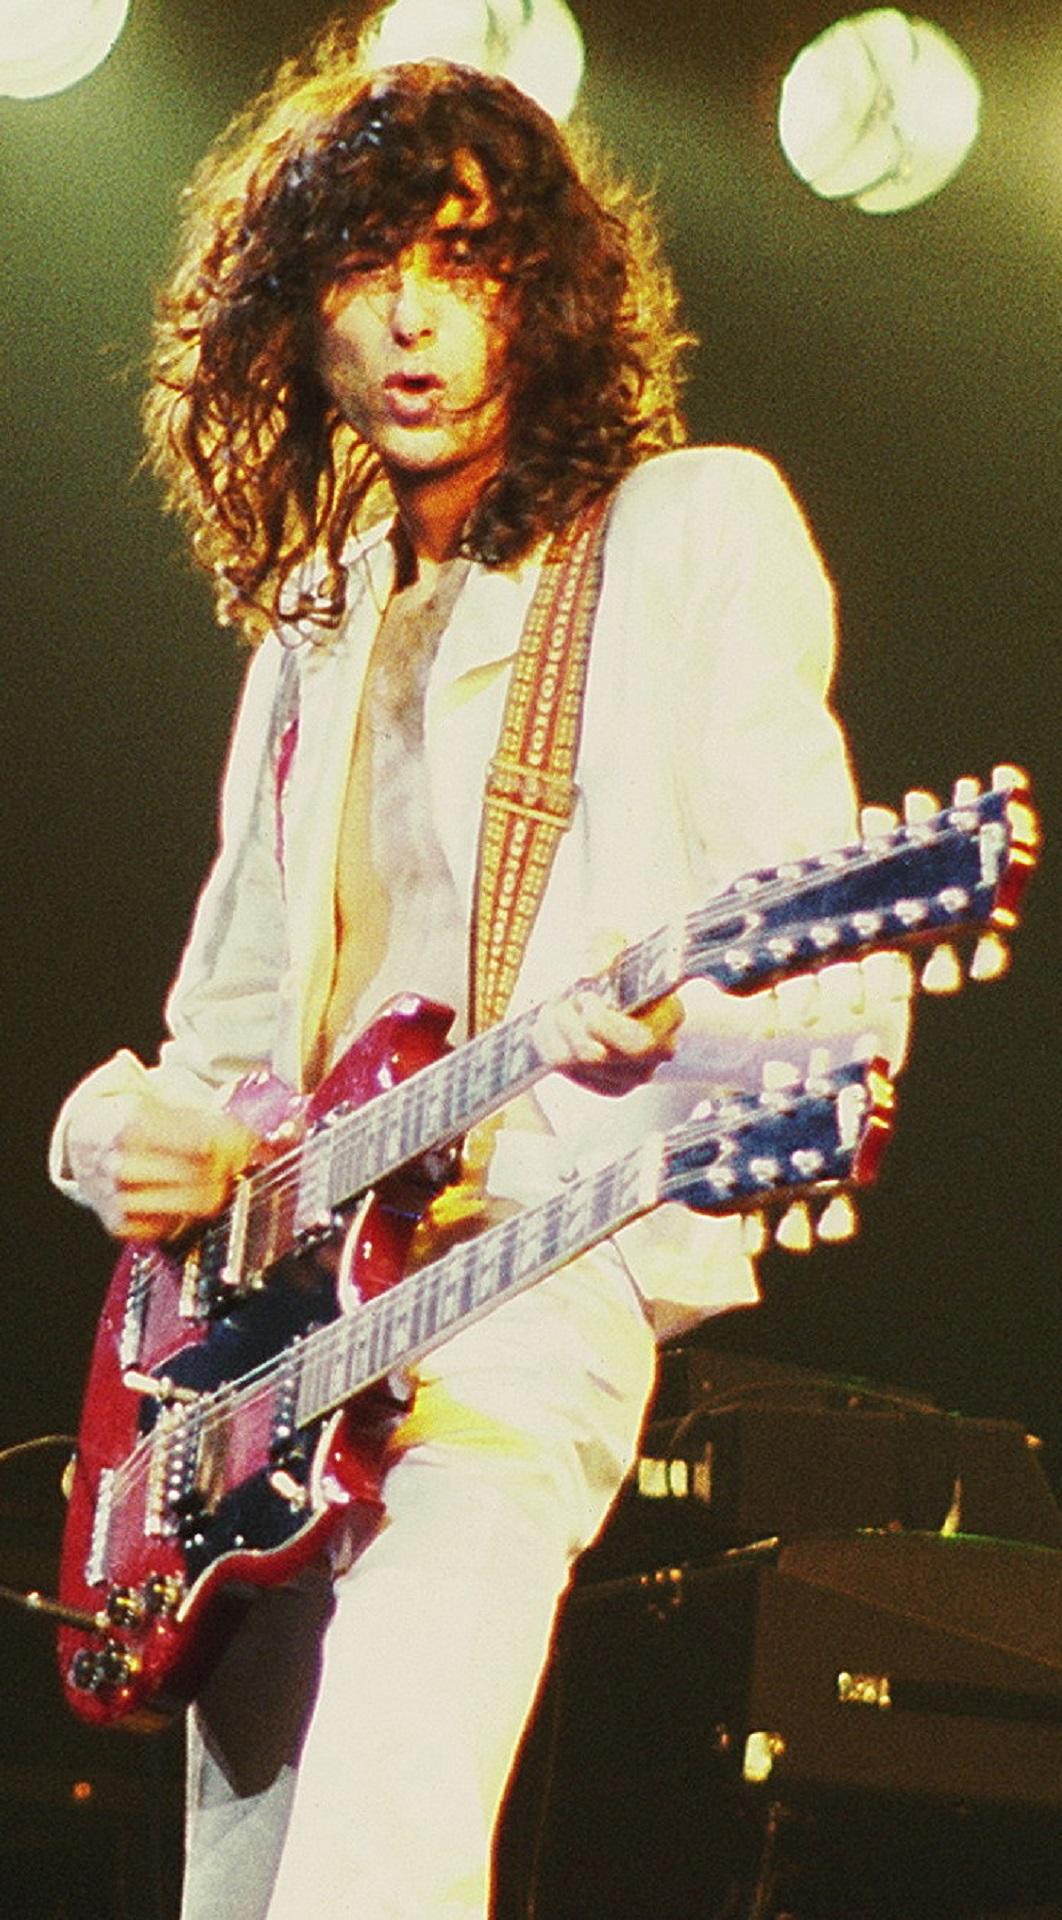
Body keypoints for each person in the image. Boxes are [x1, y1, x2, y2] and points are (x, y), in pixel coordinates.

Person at [50, 18, 907, 1919]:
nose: (417, 322)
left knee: (381, 1858)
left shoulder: (691, 531)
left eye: (465, 267)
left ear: (547, 298)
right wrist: (122, 1141)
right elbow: (232, 1020)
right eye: (366, 273)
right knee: (241, 1891)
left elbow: (837, 984)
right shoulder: (321, 608)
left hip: (530, 1277)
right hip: (275, 1334)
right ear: (293, 320)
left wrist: (684, 1020)